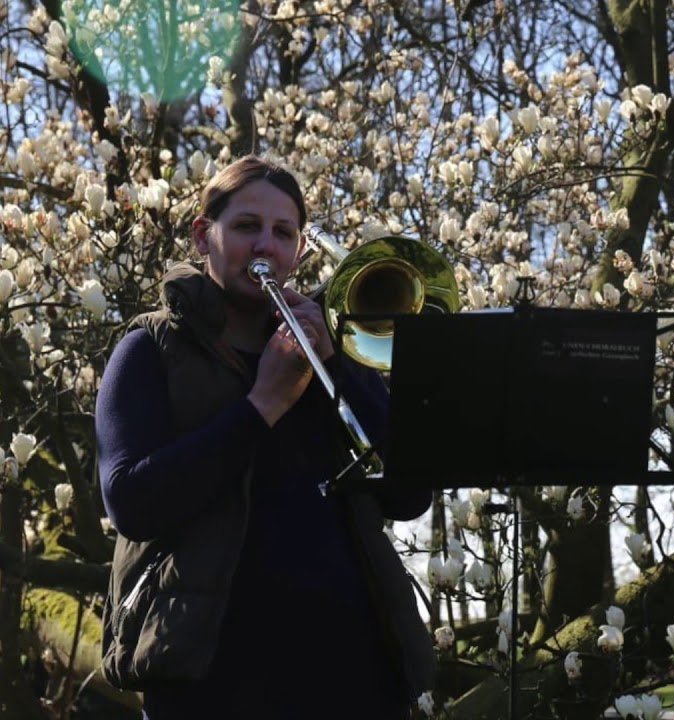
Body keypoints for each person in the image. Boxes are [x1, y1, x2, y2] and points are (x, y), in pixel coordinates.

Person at [96, 156, 435, 719]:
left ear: (300, 250)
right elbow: (131, 501)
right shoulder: (149, 349)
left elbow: (409, 495)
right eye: (247, 226)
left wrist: (343, 368)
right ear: (205, 236)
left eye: (283, 233)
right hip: (213, 676)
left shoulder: (337, 350)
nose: (266, 247)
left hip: (355, 667)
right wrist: (263, 404)